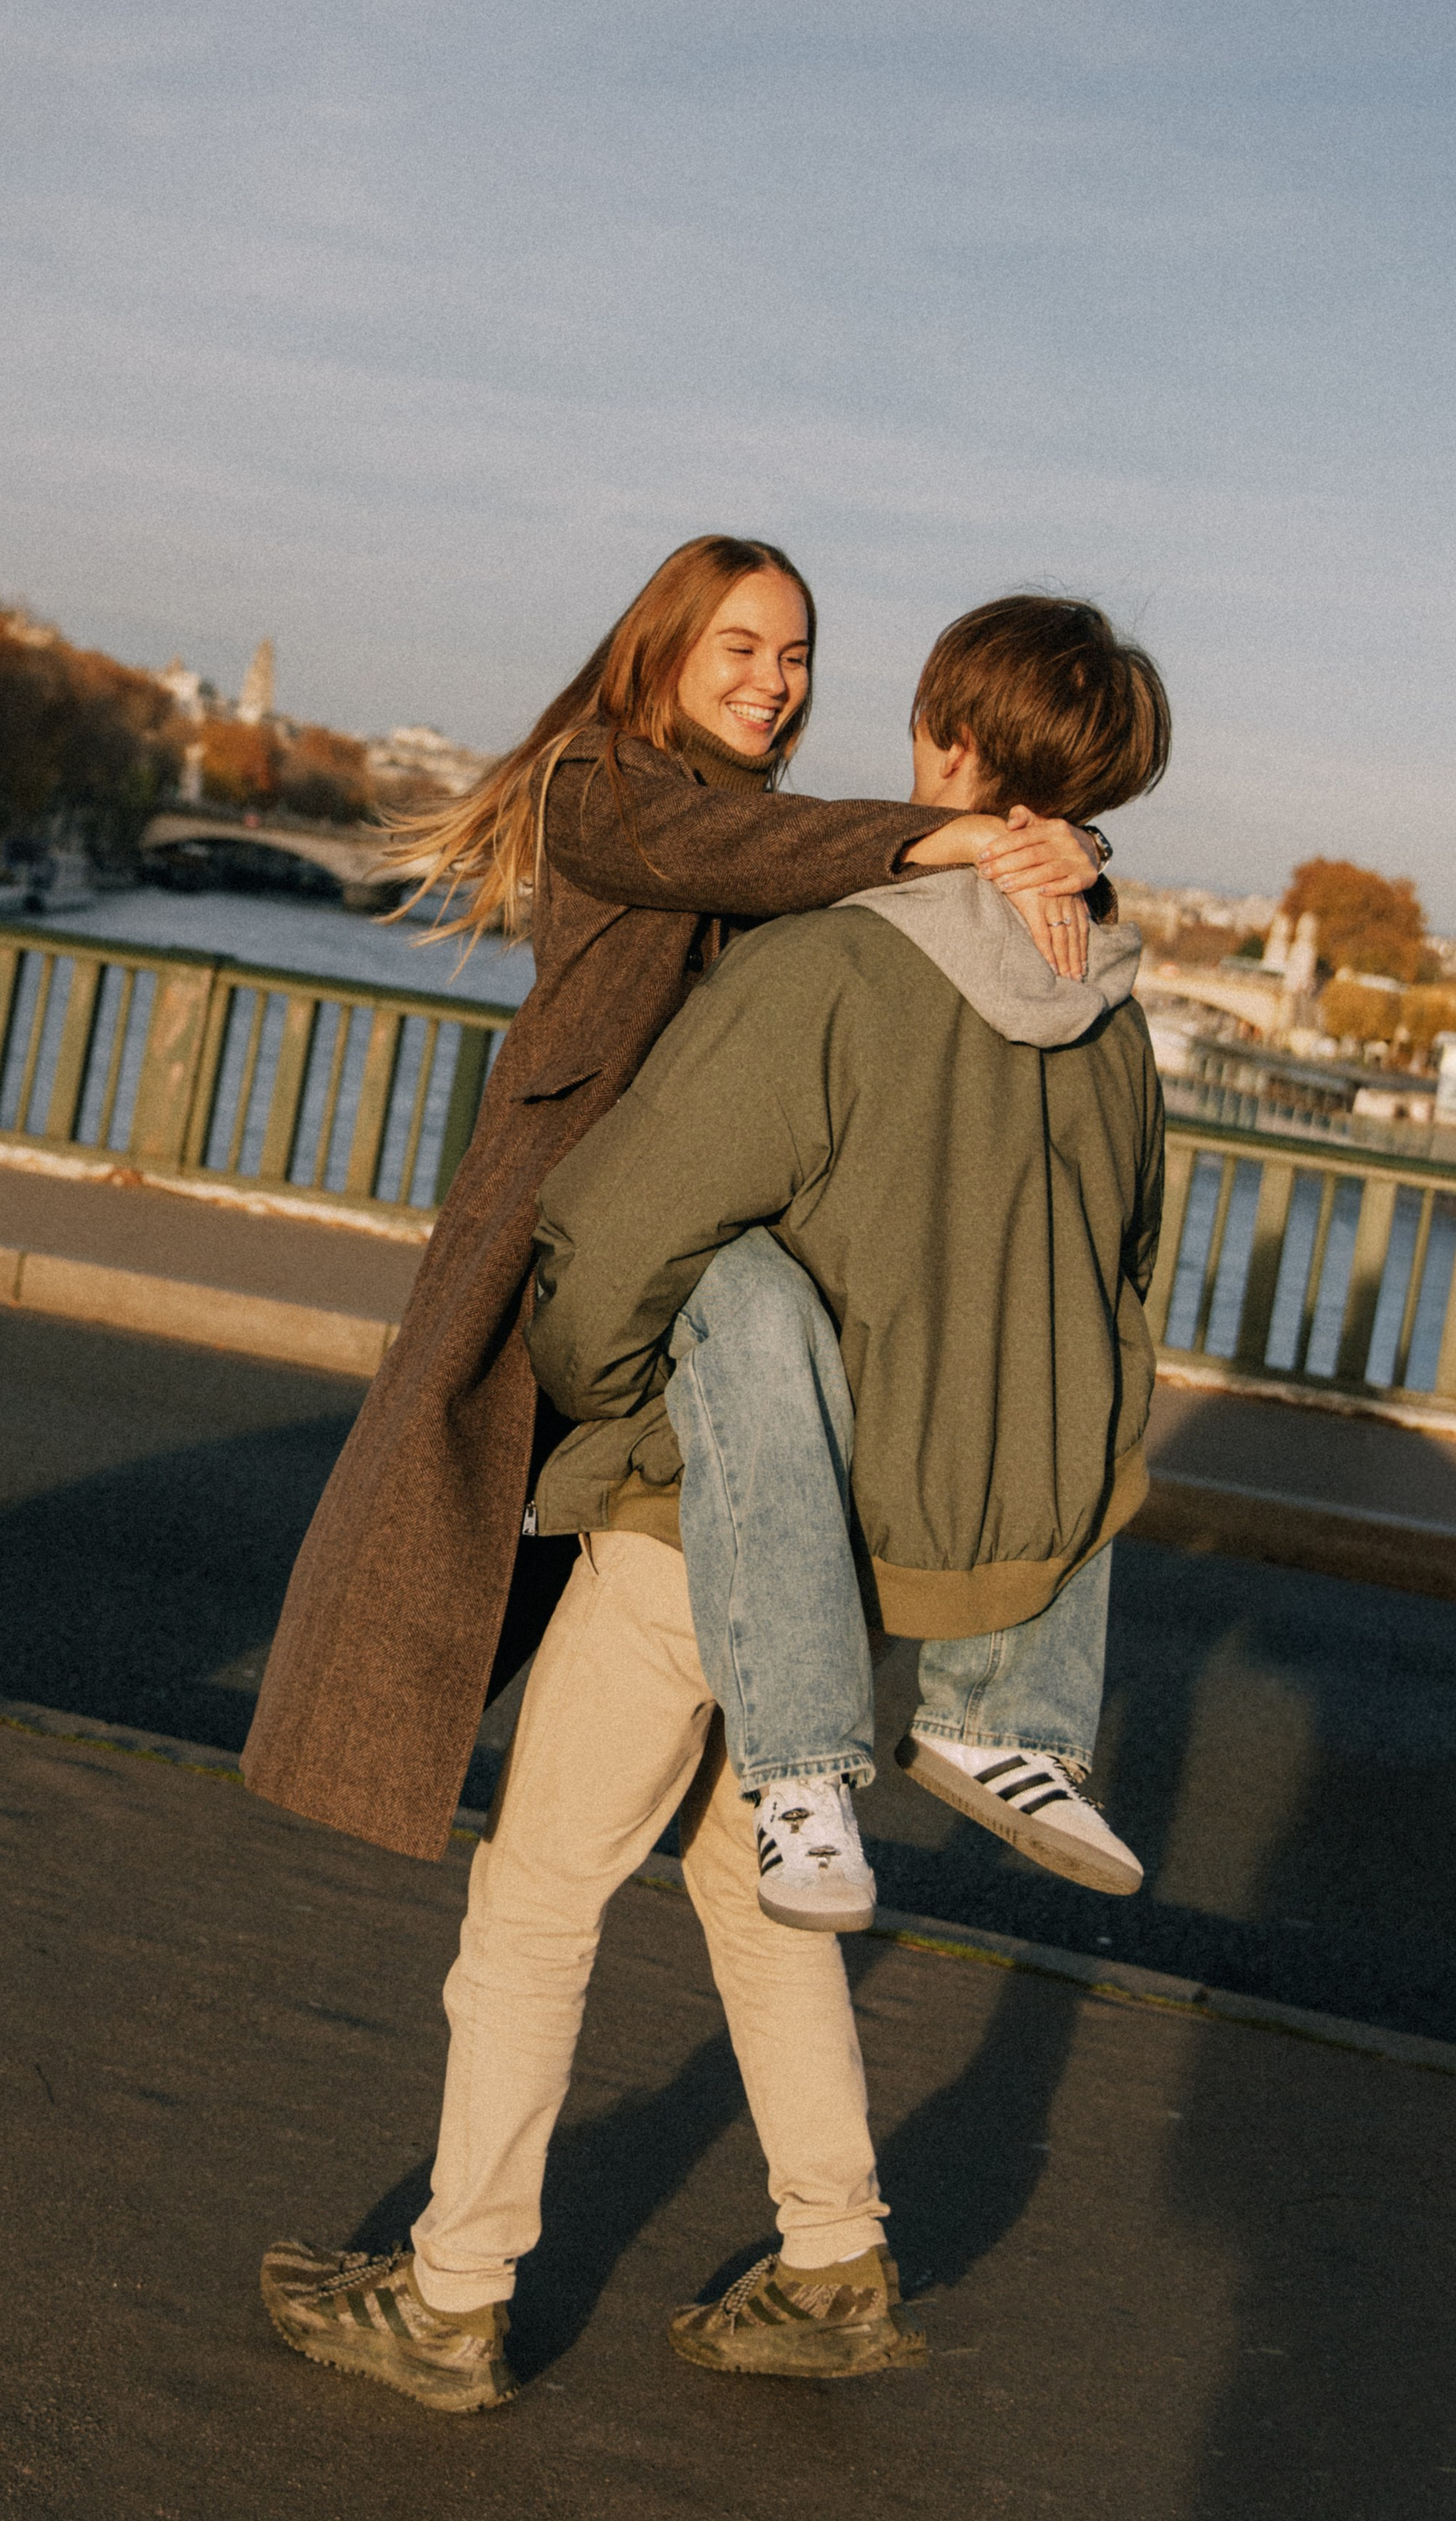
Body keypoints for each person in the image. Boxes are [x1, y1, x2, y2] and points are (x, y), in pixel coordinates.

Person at [259, 592, 1167, 2409]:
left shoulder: (834, 968)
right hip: (882, 1538)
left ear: (948, 747)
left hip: (707, 1513)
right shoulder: (1108, 1019)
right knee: (750, 1882)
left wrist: (613, 1402)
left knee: (532, 1901)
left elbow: (624, 1236)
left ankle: (448, 2297)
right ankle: (831, 2259)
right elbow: (1108, 1295)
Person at [240, 535, 1110, 1868]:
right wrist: (965, 837)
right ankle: (845, 1752)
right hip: (575, 1214)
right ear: (664, 651)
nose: (777, 681)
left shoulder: (792, 831)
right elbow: (738, 847)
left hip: (696, 1209)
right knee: (463, 1567)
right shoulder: (602, 783)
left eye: (798, 655)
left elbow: (810, 869)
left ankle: (889, 1749)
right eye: (744, 649)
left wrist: (1062, 852)